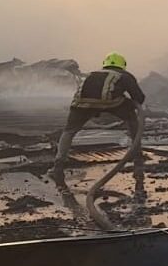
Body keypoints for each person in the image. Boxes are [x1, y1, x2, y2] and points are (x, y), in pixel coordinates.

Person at [51, 52, 146, 185]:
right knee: (132, 120)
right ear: (122, 65)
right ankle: (138, 161)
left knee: (69, 131)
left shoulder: (92, 74)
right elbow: (139, 98)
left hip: (81, 104)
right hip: (110, 102)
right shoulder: (124, 75)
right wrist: (130, 104)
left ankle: (58, 166)